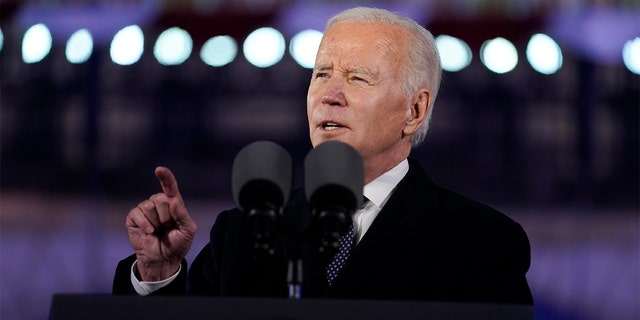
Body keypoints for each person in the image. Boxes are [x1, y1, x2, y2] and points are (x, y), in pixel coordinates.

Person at [113, 6, 533, 305]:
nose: (330, 96)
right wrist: (157, 274)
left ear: (415, 110)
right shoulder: (242, 233)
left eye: (357, 78)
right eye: (321, 75)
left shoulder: (482, 242)